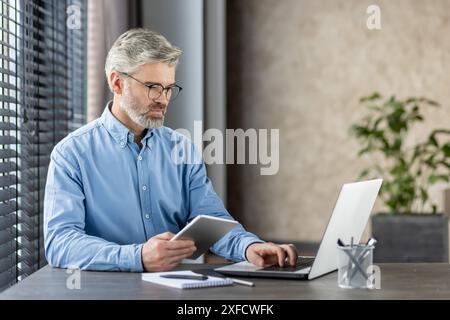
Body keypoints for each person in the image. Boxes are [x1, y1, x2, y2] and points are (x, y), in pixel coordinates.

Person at [44, 28, 298, 272]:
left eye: (168, 88)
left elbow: (211, 219)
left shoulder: (183, 149)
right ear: (117, 83)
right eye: (152, 87)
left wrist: (249, 247)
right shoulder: (72, 154)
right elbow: (60, 243)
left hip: (175, 290)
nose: (163, 99)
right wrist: (138, 257)